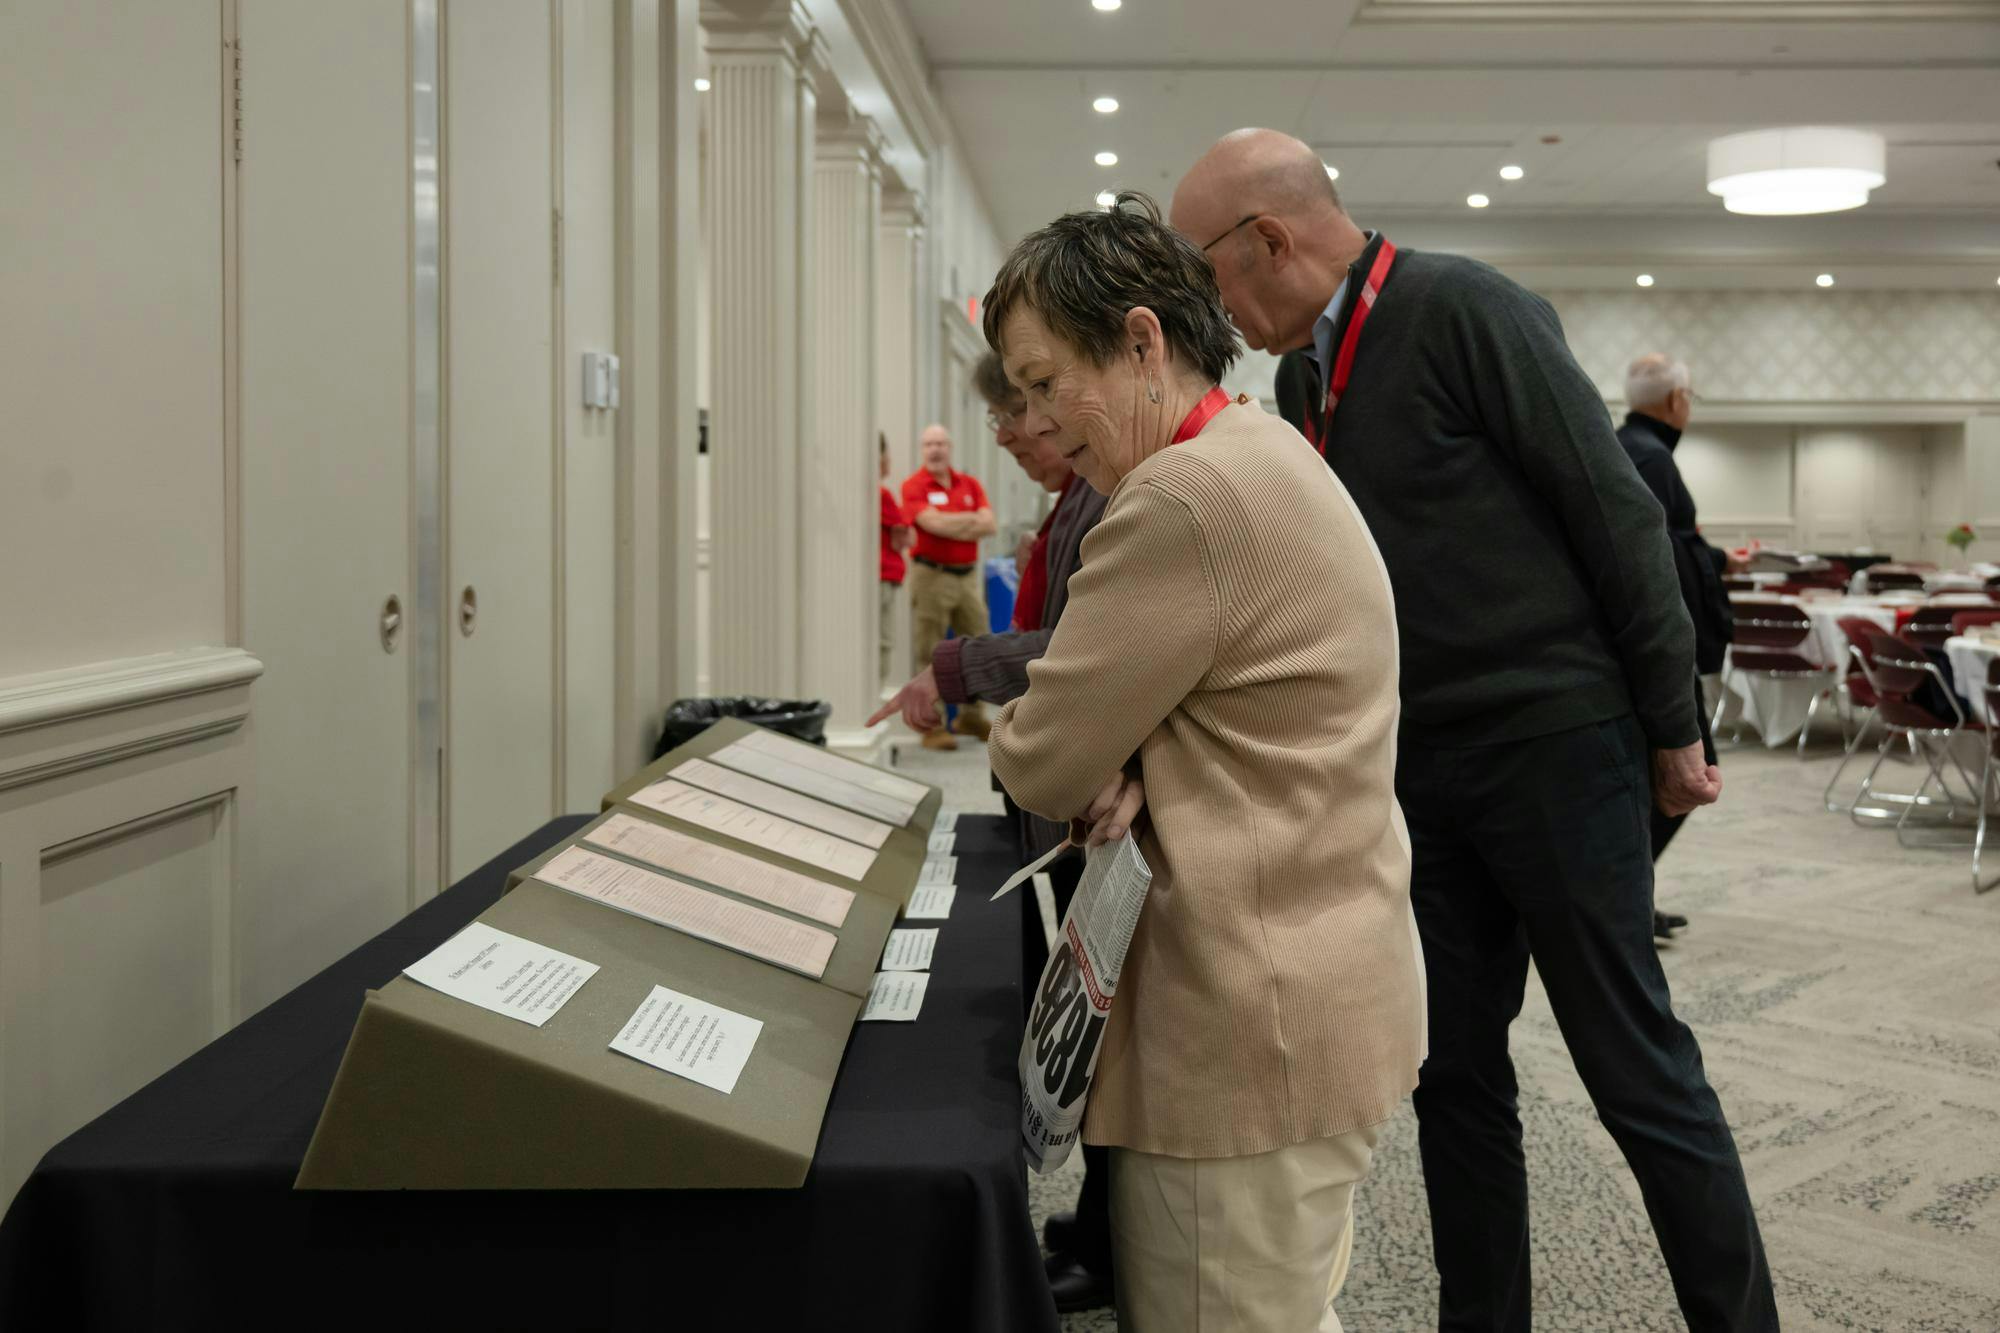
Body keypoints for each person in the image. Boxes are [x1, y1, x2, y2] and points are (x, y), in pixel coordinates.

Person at [1171, 129, 1777, 1332]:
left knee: (1631, 1064)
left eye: (1209, 279)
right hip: (1420, 774)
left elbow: (1613, 516)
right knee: (1448, 1072)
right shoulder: (1302, 383)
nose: (1216, 313)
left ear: (1269, 243)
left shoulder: (1463, 307)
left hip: (1558, 747)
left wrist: (1673, 725)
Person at [981, 191, 1427, 1333]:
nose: (1034, 420)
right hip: (1320, 975)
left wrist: (1092, 744)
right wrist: (1135, 741)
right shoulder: (1257, 443)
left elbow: (1035, 757)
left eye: (1041, 385)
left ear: (1139, 339)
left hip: (1246, 1012)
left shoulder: (1178, 495)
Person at [870, 351, 1115, 1313]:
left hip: (1090, 795)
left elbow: (1082, 646)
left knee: (1110, 1026)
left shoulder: (1111, 494)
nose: (1008, 433)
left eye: (1025, 408)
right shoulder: (1077, 495)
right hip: (1060, 786)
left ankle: (1108, 1240)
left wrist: (957, 669)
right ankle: (1100, 1227)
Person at [1619, 354, 1735, 940]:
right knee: (1690, 773)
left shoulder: (1627, 447)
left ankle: (1628, 899)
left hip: (1647, 644)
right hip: (1659, 648)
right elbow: (1657, 562)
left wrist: (1712, 560)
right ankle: (1621, 901)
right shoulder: (1652, 457)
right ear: (1676, 401)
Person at [899, 424, 996, 751]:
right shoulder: (913, 486)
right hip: (931, 575)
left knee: (979, 644)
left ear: (950, 447)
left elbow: (989, 524)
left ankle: (970, 715)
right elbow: (930, 523)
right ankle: (932, 723)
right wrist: (968, 522)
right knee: (930, 650)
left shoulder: (969, 484)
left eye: (940, 443)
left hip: (968, 576)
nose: (935, 449)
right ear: (922, 450)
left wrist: (947, 523)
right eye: (929, 444)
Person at [878, 434, 913, 687]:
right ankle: (872, 693)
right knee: (883, 640)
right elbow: (906, 535)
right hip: (883, 577)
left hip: (884, 577)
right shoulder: (881, 494)